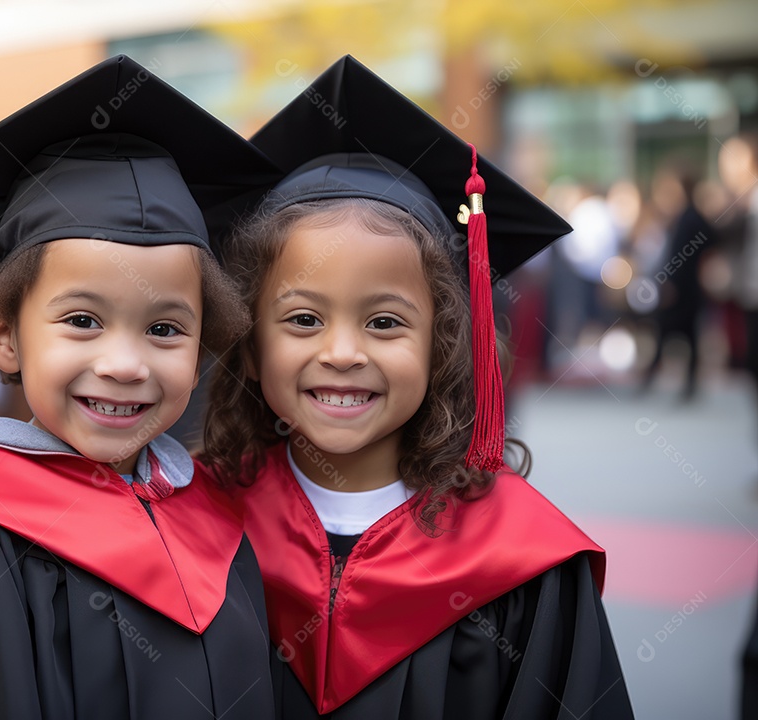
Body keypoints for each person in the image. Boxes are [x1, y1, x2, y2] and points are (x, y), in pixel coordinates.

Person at [0, 56, 281, 720]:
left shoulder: (214, 511)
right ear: (2, 335)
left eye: (164, 328)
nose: (125, 363)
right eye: (83, 321)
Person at [202, 56, 633, 718]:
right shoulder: (200, 522)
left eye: (384, 322)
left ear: (444, 346)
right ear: (251, 347)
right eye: (303, 319)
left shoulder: (523, 562)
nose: (342, 352)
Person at [640, 161, 716, 400]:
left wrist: (670, 282)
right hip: (686, 286)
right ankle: (674, 382)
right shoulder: (684, 217)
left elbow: (685, 255)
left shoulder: (689, 218)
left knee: (674, 333)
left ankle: (668, 380)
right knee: (680, 334)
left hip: (683, 288)